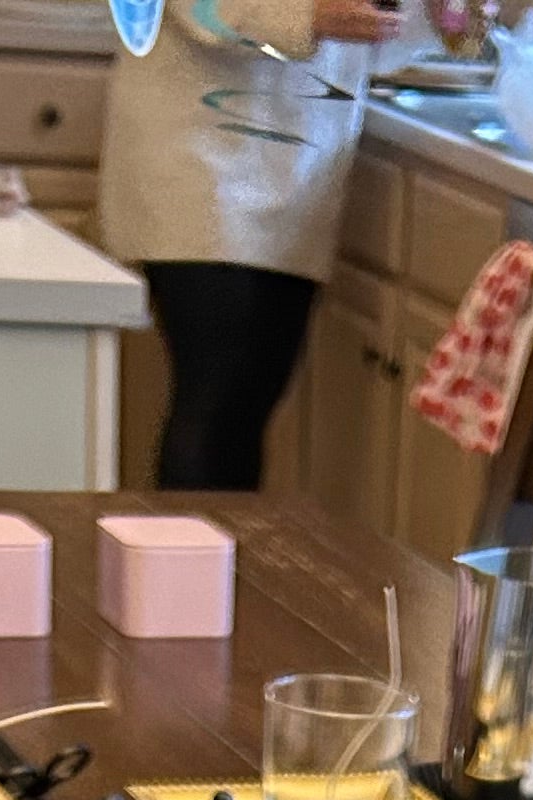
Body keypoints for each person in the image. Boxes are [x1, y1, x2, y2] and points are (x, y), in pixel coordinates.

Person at [99, 0, 409, 493]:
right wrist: (308, 16)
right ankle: (190, 564)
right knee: (219, 405)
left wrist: (439, 20)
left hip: (296, 163)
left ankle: (211, 562)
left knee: (243, 407)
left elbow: (381, 39)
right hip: (200, 155)